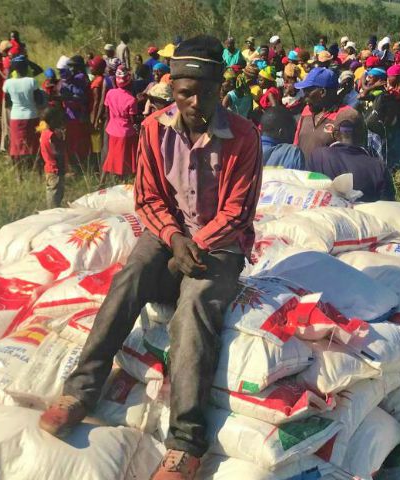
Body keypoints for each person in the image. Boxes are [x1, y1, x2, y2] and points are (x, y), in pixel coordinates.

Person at [39, 35, 261, 480]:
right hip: (169, 233)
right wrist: (176, 239)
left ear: (221, 87)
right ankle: (80, 391)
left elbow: (238, 210)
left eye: (206, 91)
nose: (196, 101)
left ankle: (186, 442)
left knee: (193, 308)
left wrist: (197, 245)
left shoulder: (243, 136)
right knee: (131, 276)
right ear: (172, 90)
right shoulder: (155, 128)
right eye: (185, 92)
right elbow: (149, 198)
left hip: (220, 242)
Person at [307, 119, 395, 201]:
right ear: (364, 136)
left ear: (335, 135)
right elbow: (388, 209)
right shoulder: (378, 168)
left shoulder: (317, 156)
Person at [294, 67, 361, 161]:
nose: (304, 96)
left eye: (307, 91)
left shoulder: (346, 116)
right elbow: (296, 144)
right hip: (302, 175)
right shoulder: (306, 110)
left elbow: (350, 159)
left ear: (322, 92)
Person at [3, 56, 41, 170]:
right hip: (32, 116)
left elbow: (7, 103)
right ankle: (38, 171)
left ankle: (19, 175)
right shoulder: (32, 81)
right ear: (26, 67)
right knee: (34, 145)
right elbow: (39, 100)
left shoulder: (8, 83)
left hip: (15, 117)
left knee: (16, 146)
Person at [102, 66, 138, 177]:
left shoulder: (110, 93)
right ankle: (123, 180)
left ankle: (105, 180)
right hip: (126, 133)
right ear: (128, 81)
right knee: (125, 160)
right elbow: (132, 120)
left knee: (111, 156)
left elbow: (107, 112)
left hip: (111, 130)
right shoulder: (131, 99)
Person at [61, 55, 92, 170]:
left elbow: (80, 97)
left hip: (77, 115)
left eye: (73, 66)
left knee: (76, 142)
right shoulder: (80, 77)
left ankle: (78, 165)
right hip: (75, 114)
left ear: (78, 67)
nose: (71, 69)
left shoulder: (80, 78)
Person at [39, 106, 67, 208]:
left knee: (51, 193)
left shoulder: (44, 133)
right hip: (56, 169)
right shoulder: (52, 136)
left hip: (48, 168)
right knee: (56, 195)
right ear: (52, 120)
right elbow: (57, 152)